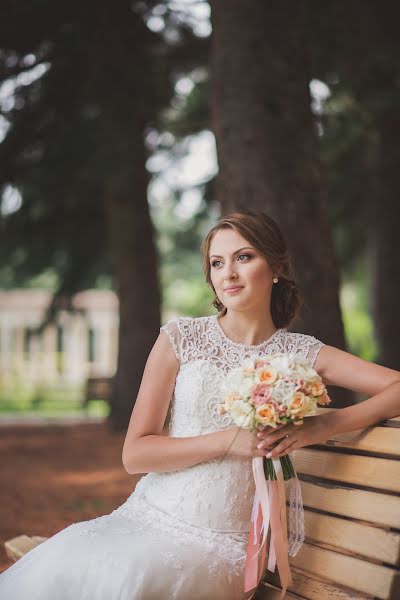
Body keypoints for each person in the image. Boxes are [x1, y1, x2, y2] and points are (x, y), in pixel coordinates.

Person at [1, 210, 399, 600]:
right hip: (147, 518)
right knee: (71, 562)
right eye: (216, 262)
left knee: (132, 580)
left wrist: (325, 426)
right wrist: (227, 441)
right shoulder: (181, 339)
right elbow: (135, 454)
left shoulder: (301, 354)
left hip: (220, 548)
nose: (229, 272)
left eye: (244, 257)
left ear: (276, 267)